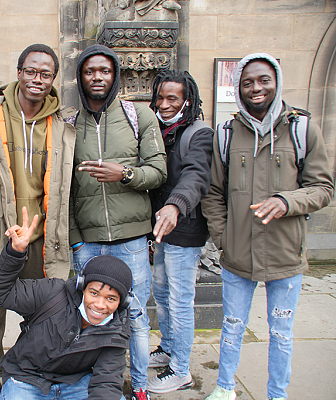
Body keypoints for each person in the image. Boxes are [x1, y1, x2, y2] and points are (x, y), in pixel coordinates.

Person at [202, 53, 335, 400]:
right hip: (237, 254)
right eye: (247, 82)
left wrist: (287, 201)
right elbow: (214, 193)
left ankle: (277, 393)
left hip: (285, 253)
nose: (256, 88)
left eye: (263, 80)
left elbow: (323, 189)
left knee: (281, 332)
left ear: (275, 81)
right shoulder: (226, 133)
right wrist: (222, 239)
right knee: (231, 326)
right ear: (238, 88)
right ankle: (225, 386)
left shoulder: (302, 129)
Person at [0, 43, 76, 399]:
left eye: (46, 74)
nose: (38, 79)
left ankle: (33, 372)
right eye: (31, 71)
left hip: (42, 240)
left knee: (43, 316)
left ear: (53, 78)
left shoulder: (64, 123)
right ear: (19, 72)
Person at [68, 44, 167, 400]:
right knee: (91, 316)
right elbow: (61, 189)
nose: (98, 77)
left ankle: (139, 387)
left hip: (132, 240)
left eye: (105, 71)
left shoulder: (139, 116)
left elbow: (158, 171)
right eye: (90, 71)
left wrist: (124, 173)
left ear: (115, 76)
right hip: (88, 241)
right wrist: (76, 239)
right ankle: (93, 386)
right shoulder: (68, 124)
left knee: (136, 317)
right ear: (80, 76)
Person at [0, 207, 132, 400]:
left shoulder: (117, 328)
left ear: (123, 302)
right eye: (94, 293)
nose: (99, 304)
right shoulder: (53, 292)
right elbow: (0, 292)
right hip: (27, 377)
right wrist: (15, 252)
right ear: (82, 287)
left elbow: (106, 382)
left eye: (111, 298)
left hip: (77, 382)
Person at [145, 70, 214, 393]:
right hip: (161, 229)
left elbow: (196, 175)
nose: (164, 103)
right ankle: (168, 347)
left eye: (172, 98)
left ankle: (181, 370)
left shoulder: (198, 134)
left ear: (187, 100)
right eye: (160, 97)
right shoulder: (158, 130)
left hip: (185, 228)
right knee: (160, 292)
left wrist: (175, 205)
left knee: (180, 299)